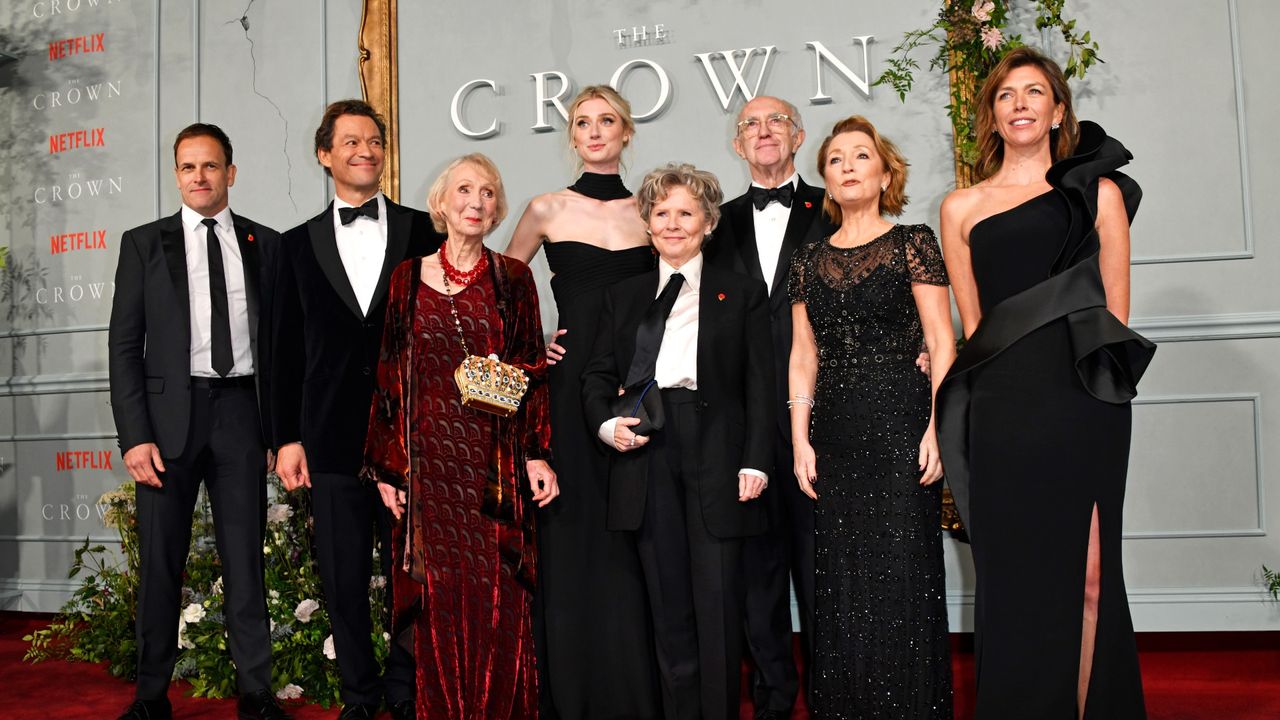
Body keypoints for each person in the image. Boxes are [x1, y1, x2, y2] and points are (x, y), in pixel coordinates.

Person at [936, 47, 1154, 719]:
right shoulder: (960, 207)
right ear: (992, 115)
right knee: (1010, 581)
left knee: (1089, 573)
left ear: (1059, 111)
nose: (1021, 103)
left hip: (1082, 399)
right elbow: (975, 327)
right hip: (1002, 409)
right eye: (1007, 94)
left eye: (1035, 92)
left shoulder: (1097, 192)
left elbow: (1117, 310)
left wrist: (1089, 393)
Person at [362, 153, 558, 719]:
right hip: (430, 471)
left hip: (492, 468)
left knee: (498, 602)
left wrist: (538, 454)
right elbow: (390, 376)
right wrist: (389, 468)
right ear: (441, 202)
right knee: (440, 603)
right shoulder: (405, 277)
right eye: (465, 190)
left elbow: (530, 371)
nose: (477, 201)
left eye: (489, 193)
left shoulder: (513, 277)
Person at [108, 123, 290, 720]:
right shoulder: (142, 244)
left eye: (210, 166)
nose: (199, 177)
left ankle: (255, 693)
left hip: (241, 414)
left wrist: (277, 428)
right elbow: (124, 345)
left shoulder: (267, 244)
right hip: (165, 424)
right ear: (177, 174)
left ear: (230, 173)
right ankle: (150, 696)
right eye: (188, 167)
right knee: (161, 561)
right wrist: (134, 435)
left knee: (245, 560)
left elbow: (283, 348)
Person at [270, 99, 443, 720]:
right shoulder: (291, 248)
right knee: (342, 580)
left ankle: (405, 689)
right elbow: (282, 350)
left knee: (413, 576)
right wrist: (286, 437)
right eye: (350, 142)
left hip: (414, 435)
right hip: (331, 436)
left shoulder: (427, 231)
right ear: (325, 154)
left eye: (374, 140)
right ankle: (358, 697)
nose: (364, 150)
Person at [583, 163, 775, 720]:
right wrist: (604, 424)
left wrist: (757, 460)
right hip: (643, 448)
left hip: (716, 451)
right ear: (646, 221)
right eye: (661, 213)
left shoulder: (739, 292)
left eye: (686, 213)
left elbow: (760, 383)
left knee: (717, 612)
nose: (673, 224)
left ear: (708, 222)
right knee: (668, 615)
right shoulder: (623, 295)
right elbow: (597, 376)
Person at [787, 116, 955, 719]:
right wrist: (800, 441)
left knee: (903, 576)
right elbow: (803, 355)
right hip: (834, 432)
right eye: (836, 159)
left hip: (901, 425)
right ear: (827, 181)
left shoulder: (914, 241)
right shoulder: (807, 260)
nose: (849, 166)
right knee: (842, 583)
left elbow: (941, 338)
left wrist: (939, 426)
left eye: (862, 156)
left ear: (886, 173)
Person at [503, 85, 660, 719]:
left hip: (644, 388)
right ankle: (572, 693)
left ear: (626, 133)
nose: (594, 132)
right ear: (572, 136)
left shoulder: (654, 210)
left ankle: (637, 691)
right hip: (569, 394)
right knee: (572, 535)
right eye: (582, 123)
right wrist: (536, 344)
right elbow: (503, 292)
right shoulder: (545, 208)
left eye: (607, 122)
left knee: (638, 533)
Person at [703, 95, 833, 719]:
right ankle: (775, 700)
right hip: (744, 428)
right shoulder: (711, 223)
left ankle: (832, 694)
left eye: (775, 121)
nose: (763, 131)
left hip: (827, 420)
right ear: (736, 145)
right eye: (750, 124)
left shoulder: (834, 209)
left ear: (798, 136)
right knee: (756, 579)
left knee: (824, 572)